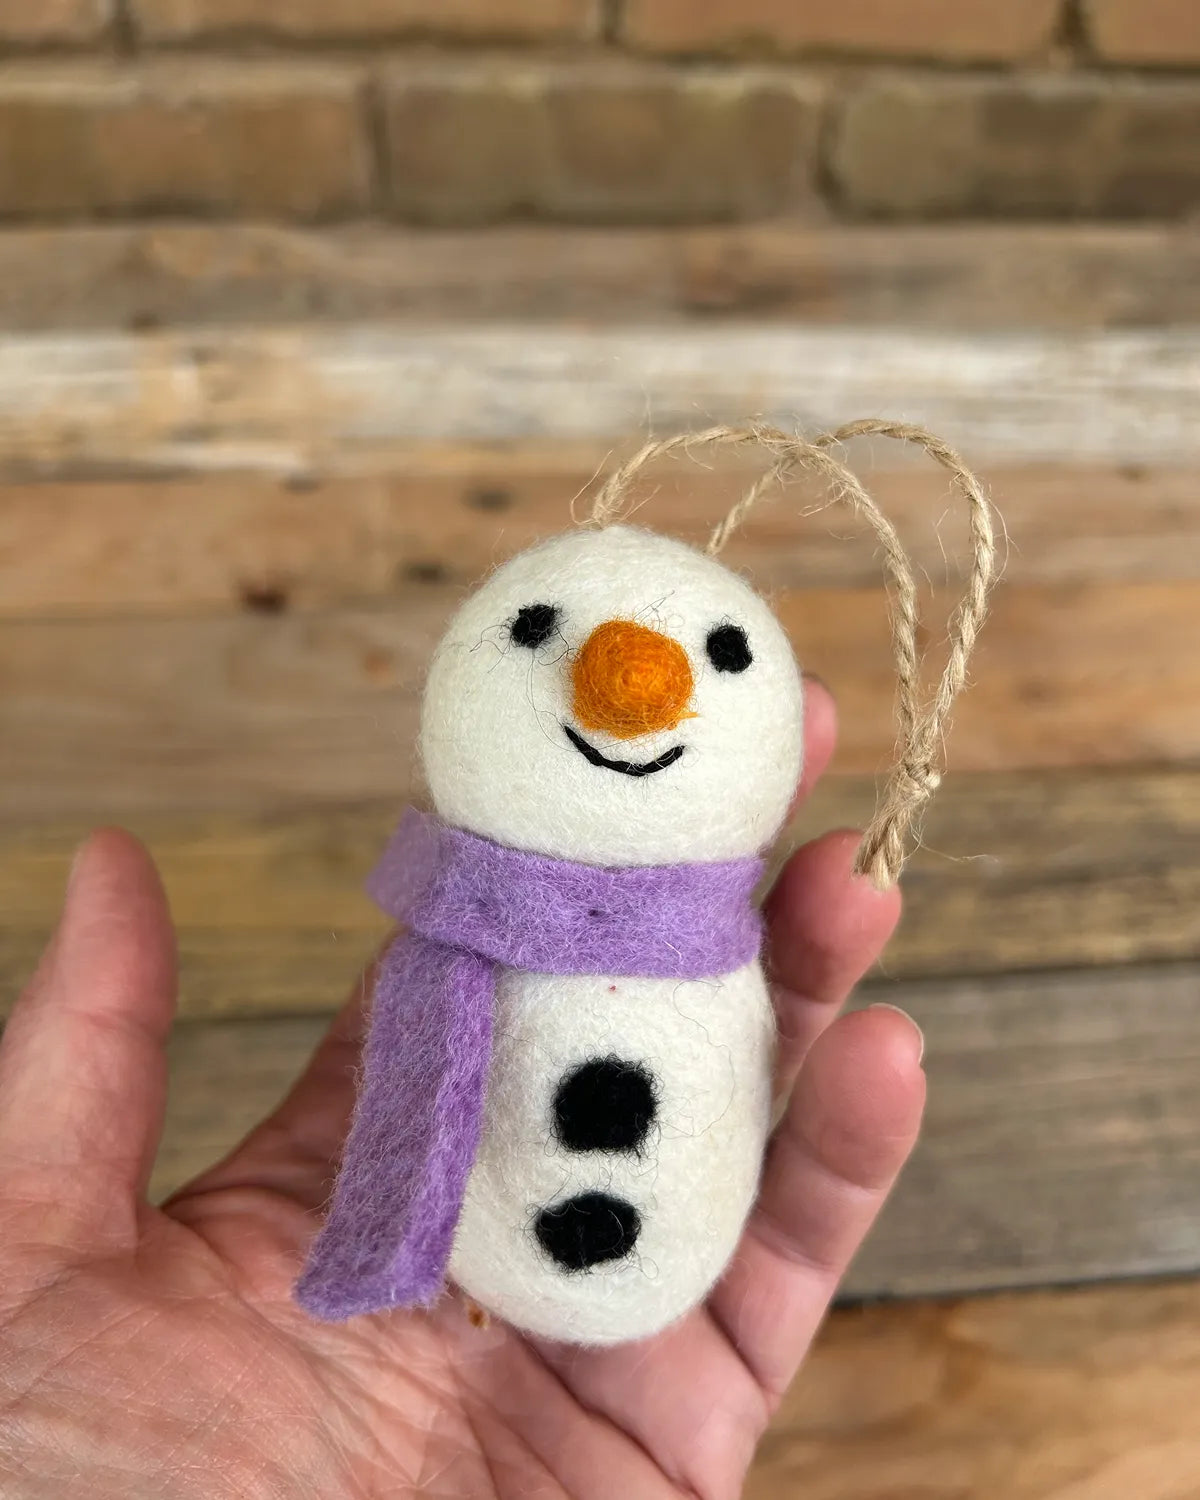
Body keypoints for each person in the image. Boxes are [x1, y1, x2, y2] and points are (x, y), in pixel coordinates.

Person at [0, 682, 925, 1498]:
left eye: (720, 655)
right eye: (535, 638)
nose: (630, 687)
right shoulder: (463, 942)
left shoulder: (660, 960)